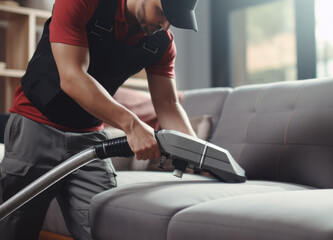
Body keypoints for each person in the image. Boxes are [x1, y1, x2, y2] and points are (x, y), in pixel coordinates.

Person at [0, 0, 199, 239]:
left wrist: (197, 153)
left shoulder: (162, 43)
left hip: (90, 139)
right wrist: (132, 124)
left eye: (172, 21)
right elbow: (73, 76)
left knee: (107, 229)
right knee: (12, 230)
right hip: (36, 125)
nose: (164, 25)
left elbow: (168, 104)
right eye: (163, 13)